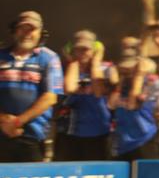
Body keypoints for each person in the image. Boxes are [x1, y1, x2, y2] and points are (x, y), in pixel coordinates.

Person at [0, 11, 63, 162]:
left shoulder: (49, 58)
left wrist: (16, 122)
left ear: (41, 33)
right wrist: (2, 119)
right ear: (14, 31)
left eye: (32, 29)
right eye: (23, 28)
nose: (27, 34)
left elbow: (50, 98)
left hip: (33, 138)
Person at [54, 30, 117, 161]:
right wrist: (73, 63)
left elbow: (99, 91)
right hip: (70, 133)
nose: (82, 53)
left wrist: (95, 63)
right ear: (72, 50)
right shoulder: (66, 68)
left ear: (95, 50)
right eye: (78, 49)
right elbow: (69, 88)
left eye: (86, 49)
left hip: (99, 133)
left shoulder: (107, 68)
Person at [108, 57, 159, 161]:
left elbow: (132, 105)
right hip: (123, 143)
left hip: (144, 140)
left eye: (130, 69)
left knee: (146, 176)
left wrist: (139, 75)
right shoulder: (122, 84)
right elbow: (111, 104)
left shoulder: (152, 83)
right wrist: (120, 82)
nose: (126, 72)